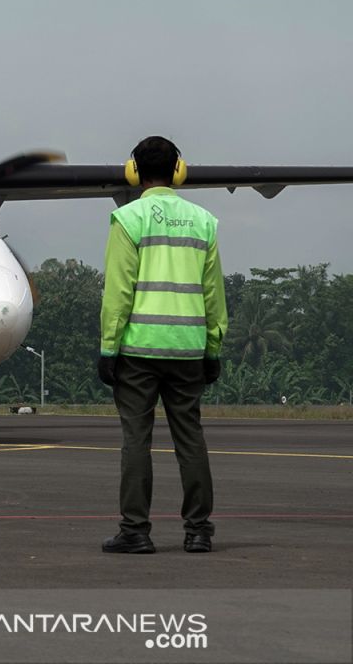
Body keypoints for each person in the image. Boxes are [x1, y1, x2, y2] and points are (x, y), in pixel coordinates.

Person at [97, 136, 228, 554]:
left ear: (132, 171)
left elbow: (117, 292)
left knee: (136, 438)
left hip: (138, 350)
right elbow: (214, 295)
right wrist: (213, 349)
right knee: (190, 438)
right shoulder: (204, 221)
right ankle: (199, 531)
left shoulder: (128, 220)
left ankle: (135, 531)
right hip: (188, 348)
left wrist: (108, 348)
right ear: (179, 170)